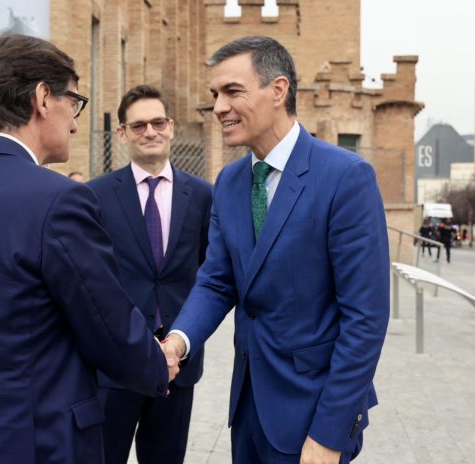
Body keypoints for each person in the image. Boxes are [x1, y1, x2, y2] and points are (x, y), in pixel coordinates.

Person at [0, 34, 174, 463]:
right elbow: (107, 325)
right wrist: (158, 364)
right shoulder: (58, 199)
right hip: (33, 445)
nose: (73, 122)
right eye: (74, 102)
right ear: (43, 98)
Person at [161, 36, 390, 464]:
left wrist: (330, 433)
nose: (218, 107)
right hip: (248, 413)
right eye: (215, 95)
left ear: (279, 90)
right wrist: (177, 342)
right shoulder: (229, 183)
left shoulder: (346, 178)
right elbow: (215, 281)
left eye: (232, 91)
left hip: (312, 417)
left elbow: (366, 320)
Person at [87, 85, 212, 464]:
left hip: (179, 366)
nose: (150, 132)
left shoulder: (203, 196)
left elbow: (211, 274)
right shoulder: (97, 195)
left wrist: (180, 341)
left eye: (158, 122)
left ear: (171, 127)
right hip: (116, 363)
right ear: (122, 133)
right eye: (138, 125)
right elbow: (94, 279)